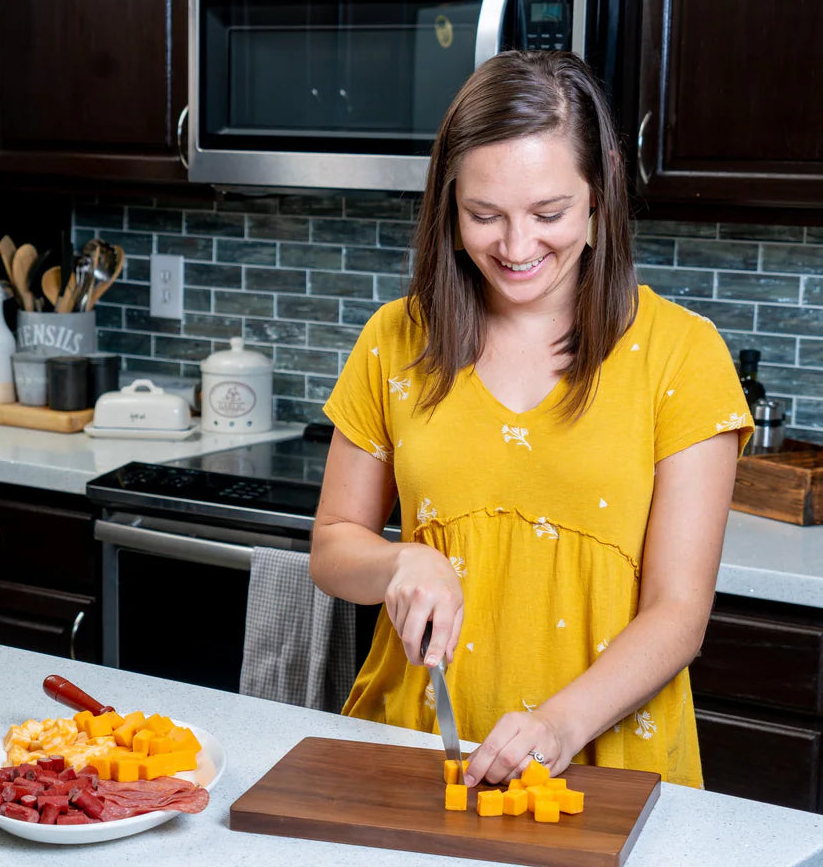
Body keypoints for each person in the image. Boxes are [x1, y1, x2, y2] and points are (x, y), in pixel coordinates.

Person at [311, 51, 752, 794]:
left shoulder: (682, 356)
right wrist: (399, 561)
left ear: (600, 191)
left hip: (606, 771)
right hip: (410, 755)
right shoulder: (397, 339)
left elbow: (679, 612)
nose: (516, 249)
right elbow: (331, 548)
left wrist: (557, 725)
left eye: (548, 214)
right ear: (449, 205)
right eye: (485, 216)